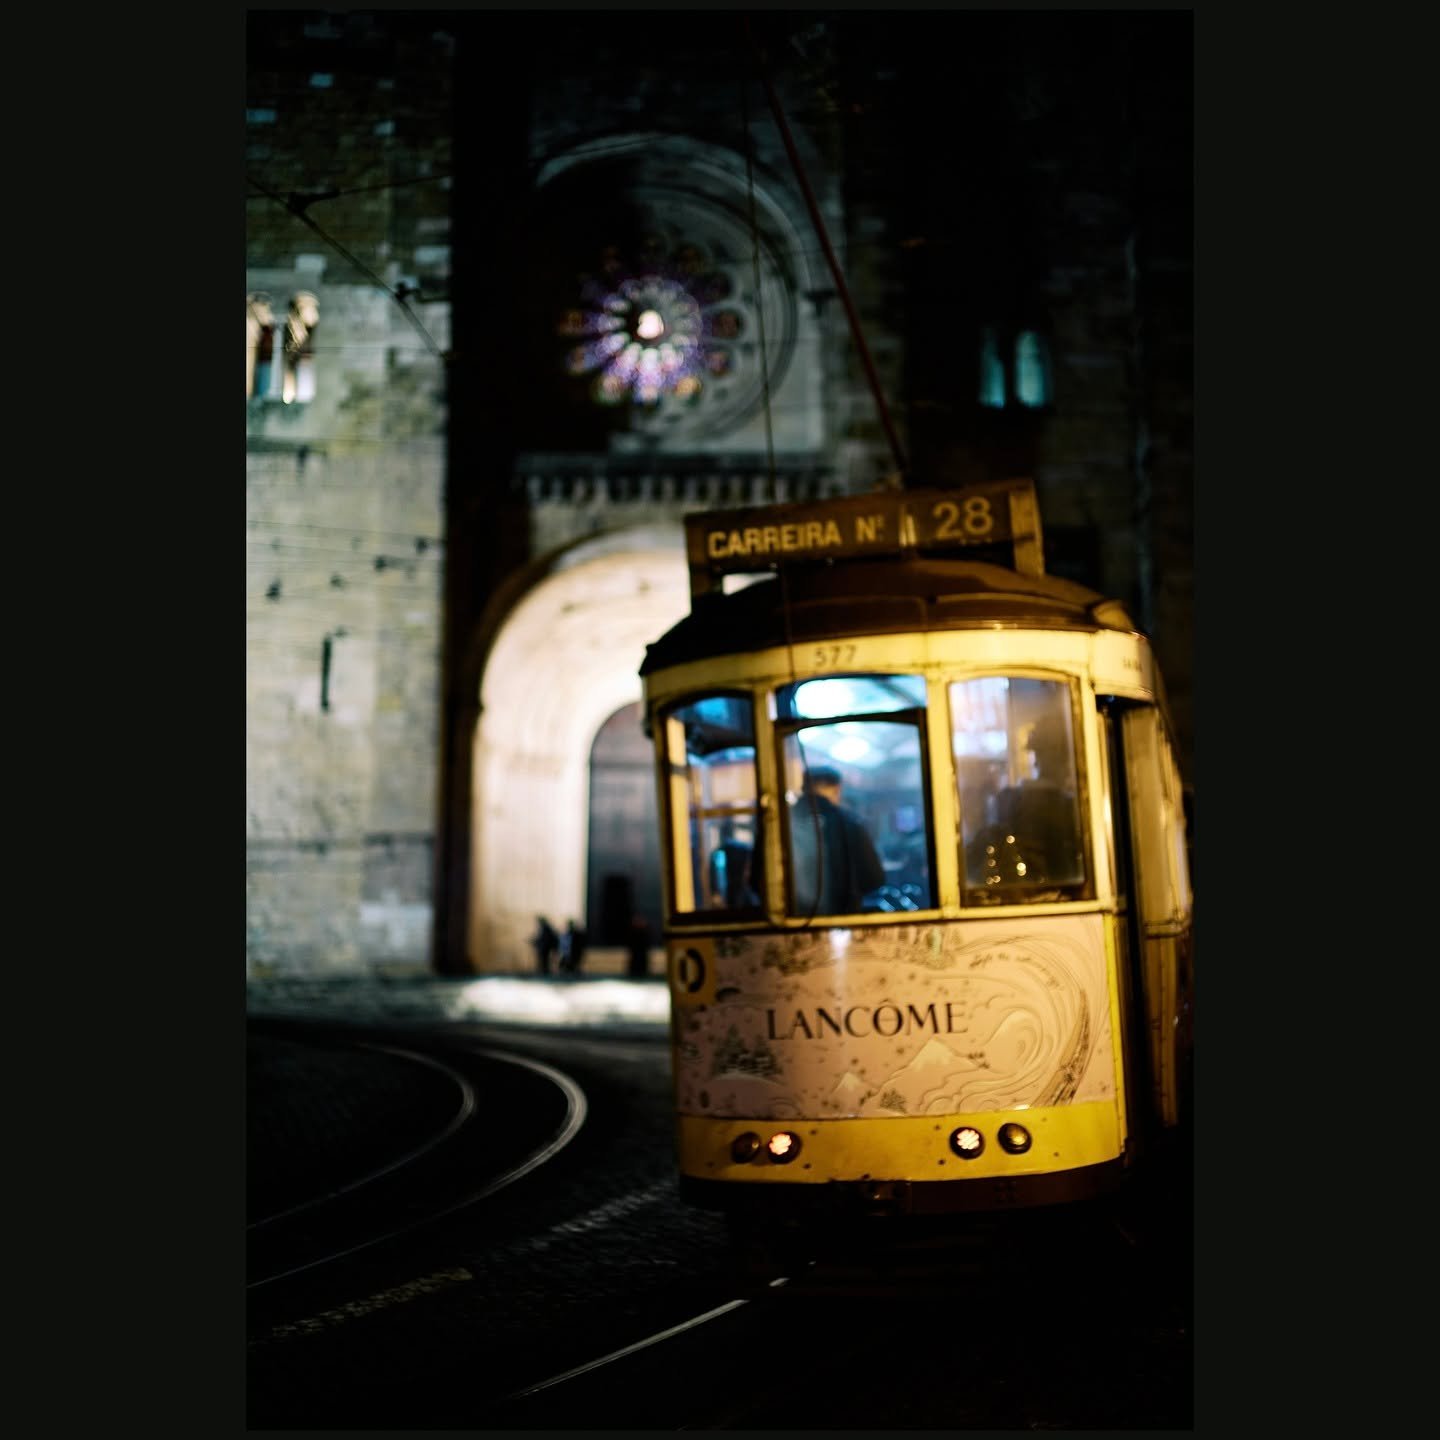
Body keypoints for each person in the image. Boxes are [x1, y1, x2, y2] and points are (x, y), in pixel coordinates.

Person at [789, 765, 885, 916]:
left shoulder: (780, 824)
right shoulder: (850, 824)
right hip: (842, 920)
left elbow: (758, 881)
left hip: (790, 921)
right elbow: (874, 878)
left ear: (804, 788)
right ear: (837, 789)